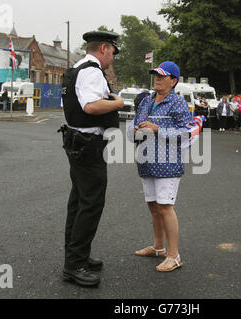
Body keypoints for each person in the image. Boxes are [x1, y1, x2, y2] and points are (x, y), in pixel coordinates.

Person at [59, 31, 124, 287]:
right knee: (91, 203)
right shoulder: (92, 70)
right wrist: (117, 103)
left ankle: (76, 257)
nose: (112, 59)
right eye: (112, 53)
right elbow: (91, 106)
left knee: (79, 201)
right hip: (88, 146)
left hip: (78, 141)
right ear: (105, 48)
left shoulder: (76, 68)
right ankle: (74, 265)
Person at [129, 61, 191, 272]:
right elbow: (133, 127)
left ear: (173, 81)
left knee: (165, 207)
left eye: (162, 76)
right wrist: (135, 130)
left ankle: (174, 256)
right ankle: (158, 248)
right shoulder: (146, 100)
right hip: (146, 160)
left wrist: (157, 128)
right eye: (156, 75)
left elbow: (186, 133)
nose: (157, 78)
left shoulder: (178, 103)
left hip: (168, 163)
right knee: (153, 207)